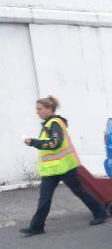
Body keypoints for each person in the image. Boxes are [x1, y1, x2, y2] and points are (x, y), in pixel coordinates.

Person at [19, 95, 107, 236]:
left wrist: (33, 142)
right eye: (37, 109)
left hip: (65, 167)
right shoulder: (48, 124)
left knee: (79, 191)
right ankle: (36, 226)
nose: (37, 112)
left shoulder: (55, 123)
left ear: (49, 109)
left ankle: (100, 212)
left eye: (40, 109)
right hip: (52, 170)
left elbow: (55, 143)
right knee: (45, 198)